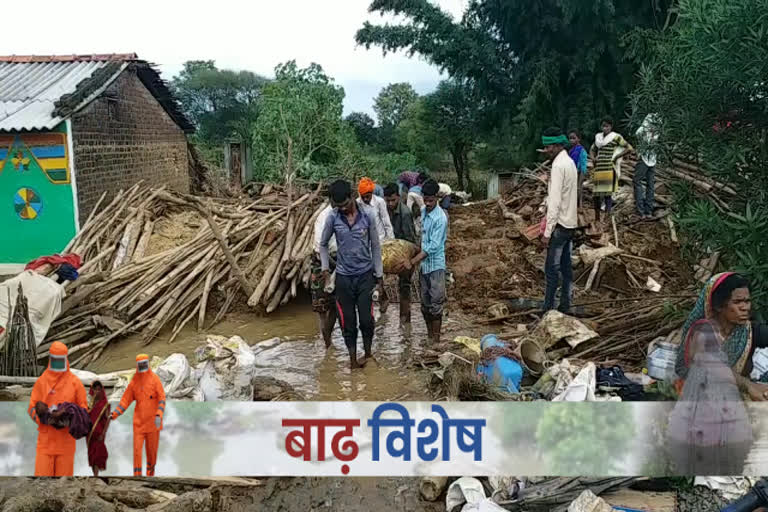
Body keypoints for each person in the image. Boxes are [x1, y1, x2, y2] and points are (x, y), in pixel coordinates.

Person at [320, 180, 384, 369]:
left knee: (366, 320)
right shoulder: (333, 218)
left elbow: (375, 246)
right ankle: (353, 360)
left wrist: (379, 276)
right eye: (339, 206)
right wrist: (325, 270)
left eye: (346, 204)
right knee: (348, 323)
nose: (343, 209)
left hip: (365, 276)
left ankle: (369, 354)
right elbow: (323, 244)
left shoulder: (368, 215)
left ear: (352, 196)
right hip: (343, 279)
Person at [675, 273, 768, 399]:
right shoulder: (702, 333)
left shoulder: (748, 331)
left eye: (747, 301)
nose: (745, 308)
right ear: (719, 306)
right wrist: (750, 386)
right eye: (737, 302)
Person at [28, 341, 87, 477]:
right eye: (55, 360)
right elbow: (31, 407)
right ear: (50, 360)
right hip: (45, 443)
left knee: (63, 485)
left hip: (66, 443)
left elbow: (83, 409)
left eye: (61, 361)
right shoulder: (41, 381)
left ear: (66, 360)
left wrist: (68, 419)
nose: (58, 364)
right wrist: (43, 419)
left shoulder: (75, 382)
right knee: (42, 483)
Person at [402, 179, 448, 344]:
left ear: (437, 198)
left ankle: (435, 339)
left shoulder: (440, 218)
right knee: (425, 303)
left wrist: (413, 261)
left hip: (436, 265)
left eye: (431, 200)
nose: (428, 203)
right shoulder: (423, 211)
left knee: (436, 302)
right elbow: (421, 237)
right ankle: (429, 336)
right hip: (424, 266)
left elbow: (433, 247)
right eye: (426, 199)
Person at [539, 128, 579, 313]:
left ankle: (548, 308)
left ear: (556, 146)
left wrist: (547, 231)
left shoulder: (557, 166)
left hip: (560, 225)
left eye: (548, 147)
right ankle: (566, 304)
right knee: (566, 268)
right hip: (570, 223)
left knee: (551, 269)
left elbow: (554, 202)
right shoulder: (570, 162)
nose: (546, 151)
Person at [112, 354, 166, 476]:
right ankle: (137, 476)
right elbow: (125, 401)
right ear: (137, 366)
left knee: (152, 453)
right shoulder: (134, 382)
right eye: (140, 364)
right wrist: (114, 414)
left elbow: (162, 398)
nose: (142, 366)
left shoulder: (155, 379)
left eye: (144, 364)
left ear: (148, 364)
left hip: (153, 424)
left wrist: (159, 414)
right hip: (139, 424)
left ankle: (150, 475)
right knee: (137, 451)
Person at [384, 183, 417, 329]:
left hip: (404, 253)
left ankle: (405, 322)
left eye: (393, 200)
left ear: (398, 197)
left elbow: (410, 240)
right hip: (390, 251)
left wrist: (408, 261)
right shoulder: (384, 210)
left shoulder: (405, 213)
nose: (390, 204)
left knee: (404, 287)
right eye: (388, 201)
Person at [589, 117, 633, 226]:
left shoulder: (615, 137)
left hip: (609, 168)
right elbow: (592, 149)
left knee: (608, 194)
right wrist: (593, 158)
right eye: (603, 126)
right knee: (597, 195)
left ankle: (608, 217)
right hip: (599, 168)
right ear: (601, 126)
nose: (605, 128)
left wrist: (617, 156)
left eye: (607, 126)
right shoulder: (598, 138)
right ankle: (597, 217)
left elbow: (629, 147)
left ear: (611, 127)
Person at [312, 196, 338, 348]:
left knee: (336, 303)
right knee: (322, 306)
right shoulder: (324, 216)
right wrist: (332, 267)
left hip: (339, 259)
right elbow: (319, 248)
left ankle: (329, 341)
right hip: (323, 261)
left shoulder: (344, 214)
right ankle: (327, 343)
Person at [634, 114, 660, 220]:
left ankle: (641, 212)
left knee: (637, 181)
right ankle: (648, 211)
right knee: (650, 185)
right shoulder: (658, 127)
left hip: (645, 158)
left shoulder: (649, 121)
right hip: (653, 159)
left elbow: (637, 133)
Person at [357, 177, 394, 243]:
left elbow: (386, 222)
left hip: (380, 240)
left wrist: (391, 241)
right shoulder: (357, 203)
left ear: (372, 193)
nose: (365, 199)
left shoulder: (379, 202)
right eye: (363, 197)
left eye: (367, 196)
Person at [87, 380, 111, 477]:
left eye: (99, 389)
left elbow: (108, 419)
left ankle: (96, 476)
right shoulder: (89, 403)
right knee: (91, 454)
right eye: (95, 389)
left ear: (101, 390)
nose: (97, 392)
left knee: (98, 454)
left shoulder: (105, 404)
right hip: (90, 434)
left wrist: (103, 433)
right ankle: (94, 475)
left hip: (99, 433)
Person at [567, 130, 589, 207]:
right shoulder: (570, 151)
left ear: (578, 139)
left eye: (573, 138)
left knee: (579, 188)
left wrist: (582, 175)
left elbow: (583, 165)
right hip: (571, 172)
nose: (571, 140)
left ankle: (580, 205)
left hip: (579, 172)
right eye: (570, 138)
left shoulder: (582, 150)